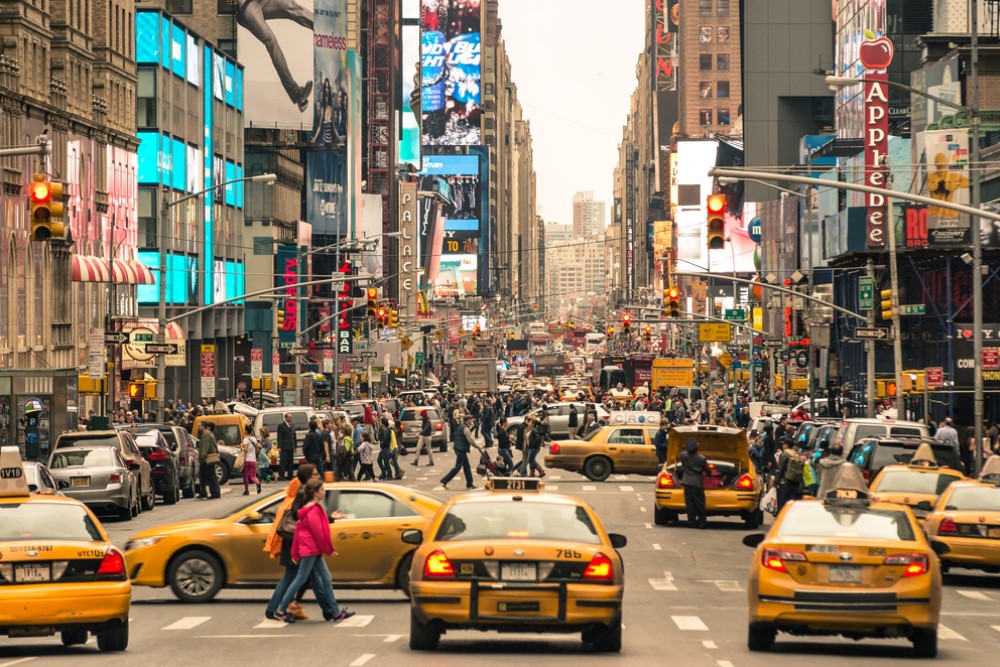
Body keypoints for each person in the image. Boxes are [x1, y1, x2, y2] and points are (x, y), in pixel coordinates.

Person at [273, 478, 355, 624]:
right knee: (301, 579)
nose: (324, 492)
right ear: (316, 493)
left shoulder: (310, 509)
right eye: (322, 490)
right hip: (311, 549)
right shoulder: (313, 510)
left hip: (311, 549)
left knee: (325, 578)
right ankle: (280, 610)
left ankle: (336, 612)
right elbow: (319, 532)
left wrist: (295, 552)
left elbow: (299, 531)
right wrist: (329, 549)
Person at [236, 0, 314, 113]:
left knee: (290, 6)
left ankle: (321, 26)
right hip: (247, 7)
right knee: (271, 41)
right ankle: (297, 94)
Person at [264, 464, 317, 621]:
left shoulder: (292, 497)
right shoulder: (297, 498)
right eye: (314, 475)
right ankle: (276, 608)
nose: (318, 477)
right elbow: (288, 525)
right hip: (294, 544)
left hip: (294, 544)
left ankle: (284, 607)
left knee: (299, 577)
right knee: (293, 577)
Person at [440, 414, 483, 490]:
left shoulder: (461, 426)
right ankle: (444, 480)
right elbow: (470, 440)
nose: (472, 420)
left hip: (458, 447)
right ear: (468, 420)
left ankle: (469, 484)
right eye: (471, 419)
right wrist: (477, 447)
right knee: (458, 467)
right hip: (461, 449)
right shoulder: (466, 428)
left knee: (467, 467)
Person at [679, 438, 707, 528]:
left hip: (686, 482)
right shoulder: (701, 458)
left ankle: (691, 521)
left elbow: (683, 451)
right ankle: (702, 522)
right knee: (699, 503)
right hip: (697, 483)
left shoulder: (683, 456)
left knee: (689, 503)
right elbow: (708, 470)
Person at [775, 439, 804, 512]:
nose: (782, 446)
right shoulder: (796, 454)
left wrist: (776, 482)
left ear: (786, 445)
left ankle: (781, 518)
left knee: (782, 502)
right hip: (795, 481)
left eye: (783, 444)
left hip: (785, 481)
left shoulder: (785, 454)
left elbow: (780, 469)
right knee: (791, 502)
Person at [197, 421, 221, 499]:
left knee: (211, 476)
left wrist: (202, 457)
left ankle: (215, 493)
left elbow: (205, 447)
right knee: (203, 476)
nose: (198, 427)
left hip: (207, 458)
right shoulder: (210, 434)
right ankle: (203, 492)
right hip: (209, 457)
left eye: (199, 425)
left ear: (203, 426)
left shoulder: (206, 435)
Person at [277, 413, 297, 480]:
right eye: (289, 417)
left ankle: (290, 475)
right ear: (285, 418)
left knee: (290, 461)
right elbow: (279, 437)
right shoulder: (281, 426)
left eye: (291, 417)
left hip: (291, 446)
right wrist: (279, 446)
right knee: (283, 461)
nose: (290, 419)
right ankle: (281, 475)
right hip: (284, 446)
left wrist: (295, 446)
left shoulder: (292, 425)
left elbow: (294, 436)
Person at [241, 430, 261, 495]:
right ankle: (257, 483)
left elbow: (246, 449)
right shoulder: (254, 439)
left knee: (245, 475)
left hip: (247, 460)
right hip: (253, 460)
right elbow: (258, 448)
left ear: (246, 431)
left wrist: (242, 447)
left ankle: (246, 490)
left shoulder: (245, 439)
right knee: (252, 476)